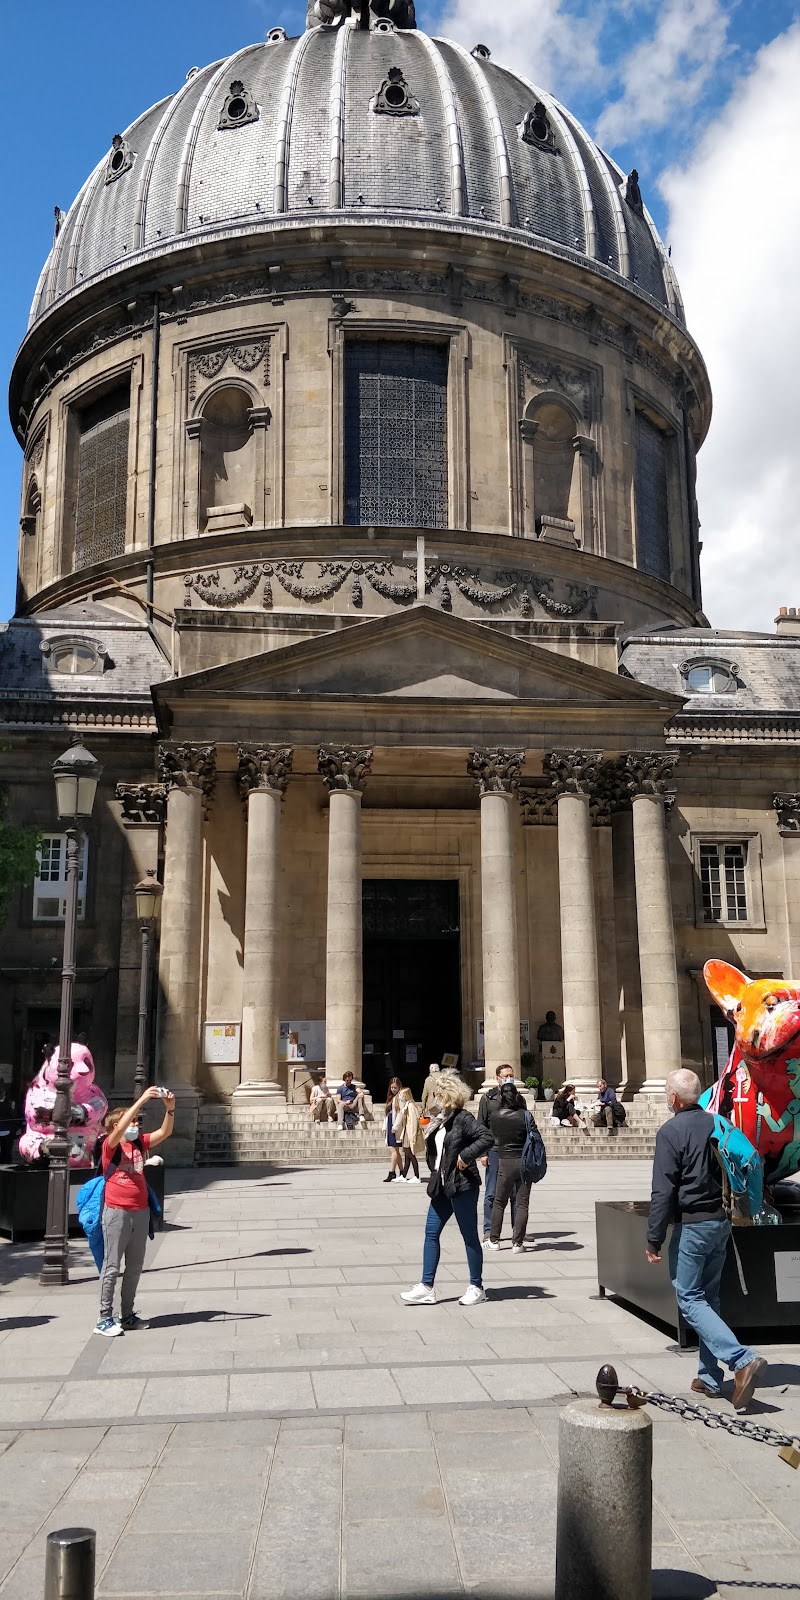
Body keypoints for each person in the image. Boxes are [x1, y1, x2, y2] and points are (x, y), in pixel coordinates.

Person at [646, 1068, 766, 1410]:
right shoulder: (718, 1123)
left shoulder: (671, 1131)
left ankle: (740, 1359)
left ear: (673, 1098)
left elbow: (663, 1190)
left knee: (689, 1297)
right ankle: (709, 1377)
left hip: (693, 1226)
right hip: (721, 1222)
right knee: (708, 1298)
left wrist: (653, 1238)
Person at [400, 1074, 493, 1306]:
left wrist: (465, 1155)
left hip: (462, 1184)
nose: (435, 1098)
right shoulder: (441, 1119)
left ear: (446, 1095)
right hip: (442, 1185)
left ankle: (476, 1287)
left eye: (437, 1094)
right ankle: (426, 1287)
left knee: (469, 1236)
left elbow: (486, 1137)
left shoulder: (462, 1118)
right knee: (431, 1233)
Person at [95, 1085, 175, 1337]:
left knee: (135, 1266)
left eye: (137, 1123)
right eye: (132, 1122)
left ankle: (127, 1314)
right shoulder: (110, 1146)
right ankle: (104, 1318)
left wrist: (170, 1110)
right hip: (116, 1211)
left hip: (140, 1211)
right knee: (111, 1266)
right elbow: (119, 1129)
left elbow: (165, 1132)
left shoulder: (138, 1143)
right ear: (115, 1126)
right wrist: (140, 1100)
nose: (136, 1125)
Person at [485, 1075, 533, 1253]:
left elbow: (494, 1136)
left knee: (499, 1202)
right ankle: (517, 1243)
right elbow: (534, 1136)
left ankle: (494, 1240)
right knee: (522, 1204)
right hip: (524, 1161)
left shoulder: (496, 1116)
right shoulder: (525, 1115)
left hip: (504, 1160)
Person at [477, 1064, 517, 1242]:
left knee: (515, 1192)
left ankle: (518, 1230)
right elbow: (481, 1126)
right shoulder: (488, 1098)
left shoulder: (518, 1098)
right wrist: (482, 1153)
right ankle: (489, 1229)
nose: (509, 1078)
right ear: (498, 1078)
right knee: (492, 1192)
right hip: (494, 1149)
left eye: (511, 1075)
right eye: (506, 1076)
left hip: (514, 1150)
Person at [393, 1085, 425, 1182]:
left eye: (402, 1095)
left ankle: (416, 1176)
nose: (400, 1097)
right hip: (406, 1131)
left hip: (410, 1132)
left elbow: (414, 1122)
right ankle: (403, 1175)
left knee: (410, 1154)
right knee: (407, 1155)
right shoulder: (407, 1105)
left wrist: (413, 1136)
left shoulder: (410, 1106)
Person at [383, 1076, 405, 1182]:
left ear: (399, 1087)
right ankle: (402, 1171)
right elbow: (387, 1114)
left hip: (395, 1126)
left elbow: (401, 1113)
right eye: (392, 1087)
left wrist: (395, 1126)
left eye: (395, 1087)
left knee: (394, 1150)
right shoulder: (391, 1097)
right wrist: (384, 1126)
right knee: (395, 1150)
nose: (393, 1089)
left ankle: (391, 1172)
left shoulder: (400, 1097)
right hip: (390, 1123)